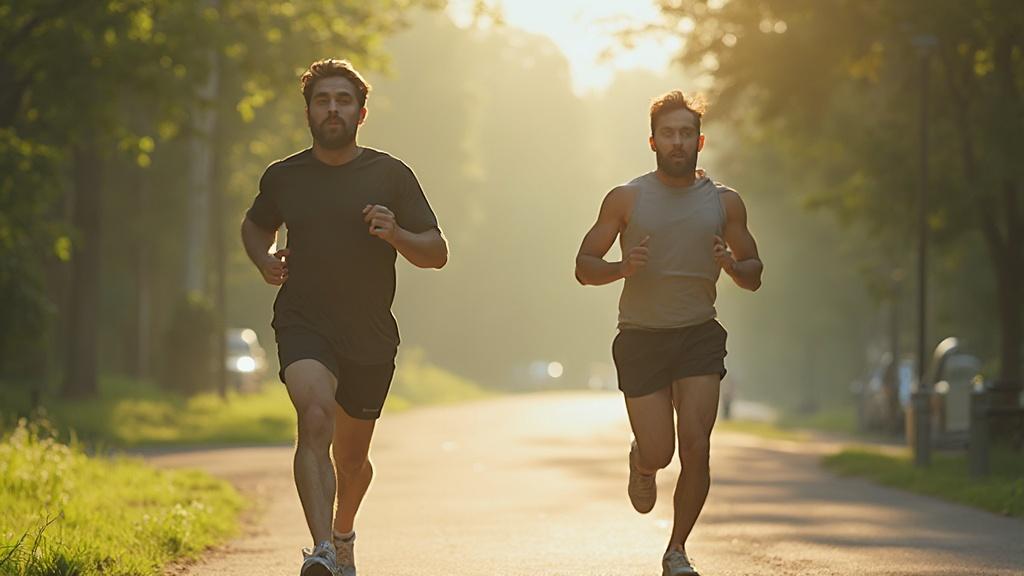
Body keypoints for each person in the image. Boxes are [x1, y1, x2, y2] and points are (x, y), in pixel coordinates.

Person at [241, 58, 448, 576]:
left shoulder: (390, 174)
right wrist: (263, 259)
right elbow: (255, 224)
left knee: (352, 463)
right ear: (309, 111)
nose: (332, 109)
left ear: (361, 113)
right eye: (322, 101)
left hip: (369, 333)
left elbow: (437, 252)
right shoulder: (284, 177)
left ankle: (343, 532)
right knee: (314, 418)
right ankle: (321, 551)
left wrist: (396, 233)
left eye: (343, 100)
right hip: (303, 320)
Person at [574, 90, 762, 576]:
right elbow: (584, 266)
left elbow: (754, 273)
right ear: (653, 141)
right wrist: (621, 268)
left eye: (685, 134)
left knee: (697, 445)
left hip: (698, 334)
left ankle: (676, 550)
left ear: (699, 141)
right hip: (641, 336)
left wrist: (731, 264)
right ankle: (642, 462)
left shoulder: (725, 203)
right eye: (668, 134)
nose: (677, 142)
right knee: (661, 451)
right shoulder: (626, 199)